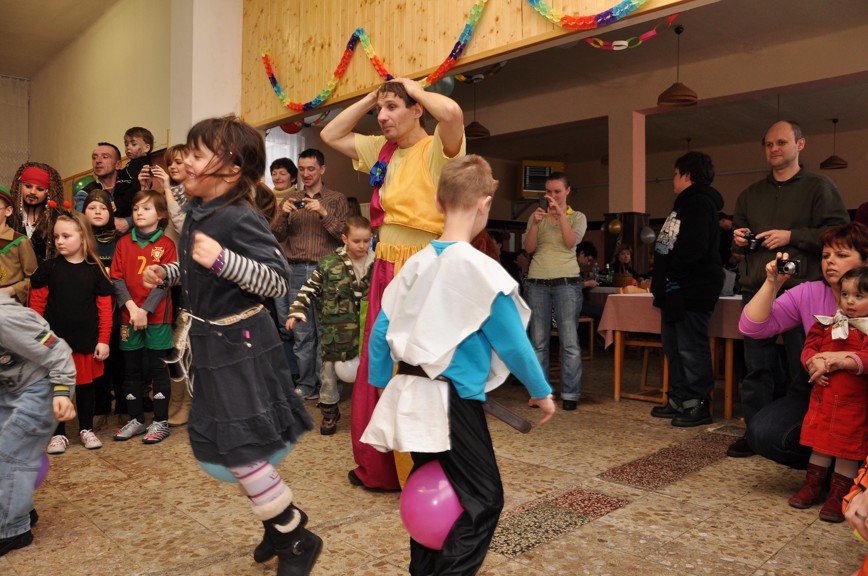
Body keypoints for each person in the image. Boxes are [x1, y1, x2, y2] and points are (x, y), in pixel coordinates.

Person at [142, 115, 320, 575]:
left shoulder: (239, 216)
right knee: (230, 444)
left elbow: (276, 280)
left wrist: (222, 259)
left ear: (232, 169)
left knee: (241, 447)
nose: (185, 162)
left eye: (197, 155)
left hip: (241, 344)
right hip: (212, 342)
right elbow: (199, 269)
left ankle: (294, 536)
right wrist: (170, 273)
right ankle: (277, 525)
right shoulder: (201, 212)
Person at [361, 155, 556, 575]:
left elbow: (380, 331)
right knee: (483, 499)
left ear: (438, 202)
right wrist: (540, 391)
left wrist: (380, 384)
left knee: (429, 487)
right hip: (450, 401)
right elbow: (513, 342)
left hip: (410, 394)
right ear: (485, 204)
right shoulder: (481, 270)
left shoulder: (414, 264)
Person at [321, 77, 465, 490]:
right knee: (380, 362)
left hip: (422, 265)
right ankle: (381, 466)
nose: (382, 117)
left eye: (392, 108)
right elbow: (331, 133)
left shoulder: (435, 148)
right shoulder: (381, 150)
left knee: (418, 368)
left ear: (417, 110)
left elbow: (452, 113)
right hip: (385, 263)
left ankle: (423, 468)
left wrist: (412, 88)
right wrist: (375, 94)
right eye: (378, 111)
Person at [729, 120, 850, 458]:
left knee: (804, 367)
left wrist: (791, 236)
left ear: (800, 144)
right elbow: (737, 243)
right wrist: (739, 239)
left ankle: (809, 431)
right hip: (759, 287)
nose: (774, 149)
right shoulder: (750, 194)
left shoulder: (819, 187)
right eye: (768, 144)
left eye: (781, 142)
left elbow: (839, 234)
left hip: (803, 288)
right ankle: (755, 431)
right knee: (756, 366)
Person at [740, 222, 868, 468]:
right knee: (763, 433)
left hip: (861, 390)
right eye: (826, 255)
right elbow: (752, 327)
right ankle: (827, 467)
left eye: (841, 255)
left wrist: (844, 359)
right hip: (821, 390)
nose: (830, 262)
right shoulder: (810, 292)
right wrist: (772, 283)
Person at [787, 265, 868, 522]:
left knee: (846, 451)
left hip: (853, 404)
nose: (850, 301)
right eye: (845, 294)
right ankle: (812, 485)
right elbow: (810, 347)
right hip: (823, 400)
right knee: (820, 446)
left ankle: (839, 494)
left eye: (858, 296)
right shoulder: (827, 324)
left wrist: (845, 360)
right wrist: (814, 362)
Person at [649, 151, 724, 427]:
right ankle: (680, 399)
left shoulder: (699, 202)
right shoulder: (685, 203)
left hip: (690, 288)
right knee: (674, 347)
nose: (673, 179)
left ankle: (698, 404)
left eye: (675, 174)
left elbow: (694, 247)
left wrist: (672, 273)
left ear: (687, 175)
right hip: (675, 290)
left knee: (691, 348)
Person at [30, 211, 113, 453]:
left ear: (83, 237)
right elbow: (35, 310)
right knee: (58, 388)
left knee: (86, 387)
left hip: (85, 342)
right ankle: (58, 434)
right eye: (56, 237)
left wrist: (103, 340)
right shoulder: (48, 269)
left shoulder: (95, 270)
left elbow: (105, 310)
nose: (60, 241)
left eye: (66, 236)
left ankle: (86, 429)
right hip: (54, 347)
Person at [0, 291, 76, 557]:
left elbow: (58, 350)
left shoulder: (5, 318)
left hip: (43, 386)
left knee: (10, 454)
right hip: (9, 388)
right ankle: (21, 508)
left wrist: (62, 392)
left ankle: (13, 531)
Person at [272, 148, 348, 401]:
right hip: (295, 270)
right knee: (301, 332)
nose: (306, 173)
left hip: (326, 270)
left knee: (327, 331)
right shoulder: (291, 198)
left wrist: (324, 213)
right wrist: (283, 213)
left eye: (311, 169)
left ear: (322, 170)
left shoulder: (336, 199)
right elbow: (276, 235)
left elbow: (344, 235)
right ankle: (306, 384)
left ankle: (328, 386)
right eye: (302, 169)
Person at [287, 216, 375, 436]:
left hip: (366, 333)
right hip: (336, 333)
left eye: (366, 241)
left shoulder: (377, 264)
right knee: (328, 377)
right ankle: (329, 413)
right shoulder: (329, 264)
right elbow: (308, 288)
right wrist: (297, 310)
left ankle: (368, 413)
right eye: (356, 241)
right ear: (344, 238)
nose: (362, 246)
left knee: (368, 374)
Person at [111, 189, 176, 444]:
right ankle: (136, 419)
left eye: (146, 208)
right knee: (131, 369)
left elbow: (164, 282)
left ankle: (160, 422)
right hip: (129, 316)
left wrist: (145, 311)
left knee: (159, 368)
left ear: (160, 215)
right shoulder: (123, 243)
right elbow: (117, 279)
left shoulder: (167, 245)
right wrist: (132, 309)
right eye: (136, 208)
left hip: (158, 316)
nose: (139, 212)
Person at [523, 172, 587, 411]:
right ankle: (541, 394)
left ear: (567, 191)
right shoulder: (536, 217)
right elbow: (529, 248)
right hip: (537, 282)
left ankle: (570, 394)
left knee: (569, 342)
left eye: (557, 191)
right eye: (548, 192)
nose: (552, 196)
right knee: (538, 342)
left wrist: (560, 216)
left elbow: (570, 242)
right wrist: (535, 224)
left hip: (567, 283)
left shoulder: (577, 217)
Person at [81, 190, 124, 430]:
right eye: (92, 208)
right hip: (90, 310)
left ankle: (124, 407)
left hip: (118, 309)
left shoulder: (121, 240)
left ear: (111, 212)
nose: (97, 212)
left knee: (119, 360)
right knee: (96, 362)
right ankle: (100, 407)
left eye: (103, 208)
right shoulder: (79, 240)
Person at [8, 162, 64, 262]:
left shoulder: (57, 218)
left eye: (40, 189)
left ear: (49, 193)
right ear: (20, 186)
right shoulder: (8, 215)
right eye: (28, 186)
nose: (33, 192)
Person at [75, 143, 135, 233]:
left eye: (105, 157)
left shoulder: (131, 186)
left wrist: (128, 222)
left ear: (118, 165)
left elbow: (149, 211)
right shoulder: (85, 193)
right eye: (94, 157)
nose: (98, 161)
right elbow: (81, 223)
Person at [0, 185, 37, 304]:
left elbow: (33, 278)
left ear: (8, 211)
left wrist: (11, 290)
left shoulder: (20, 241)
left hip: (10, 304)